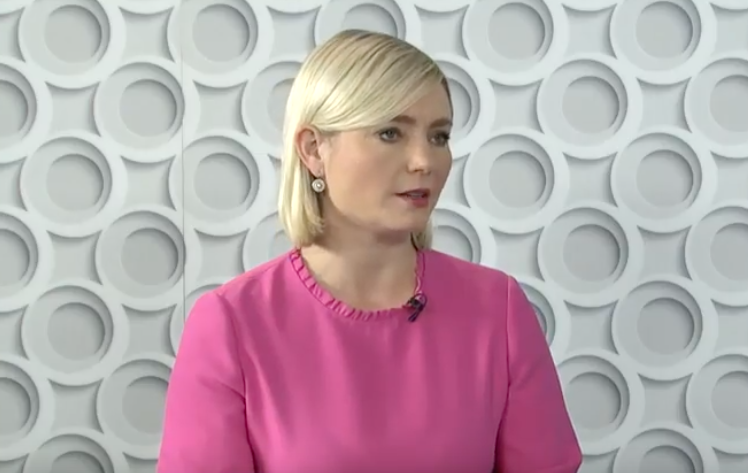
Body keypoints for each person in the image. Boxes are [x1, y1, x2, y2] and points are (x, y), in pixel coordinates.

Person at [157, 29, 583, 473]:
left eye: (438, 137)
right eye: (390, 133)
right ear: (313, 149)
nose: (424, 161)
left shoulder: (498, 309)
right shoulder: (231, 324)